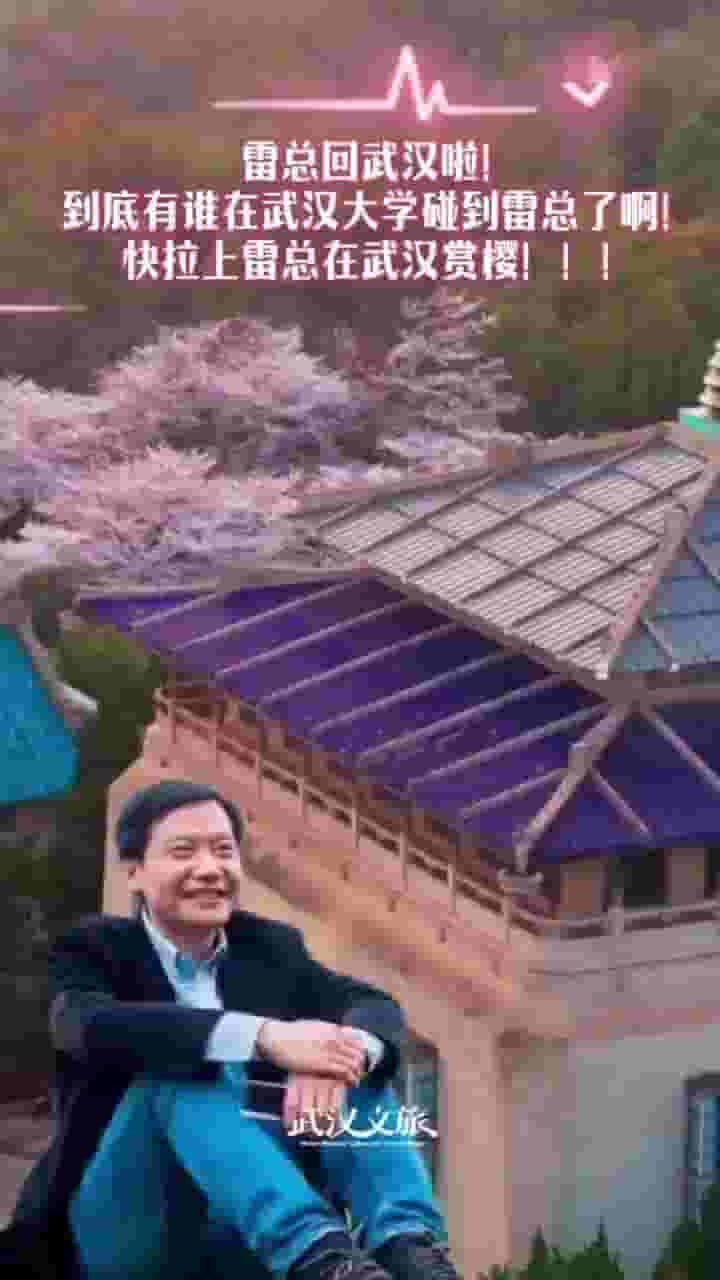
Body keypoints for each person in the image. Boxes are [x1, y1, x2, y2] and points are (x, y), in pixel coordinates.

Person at [4, 780, 461, 1280]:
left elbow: (374, 1006)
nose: (209, 869)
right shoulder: (93, 950)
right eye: (184, 852)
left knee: (353, 1060)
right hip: (127, 1225)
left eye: (223, 851)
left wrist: (335, 1060)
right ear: (134, 871)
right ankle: (321, 1258)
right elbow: (86, 1026)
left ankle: (411, 1249)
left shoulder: (268, 949)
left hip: (240, 1231)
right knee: (179, 1069)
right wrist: (265, 1036)